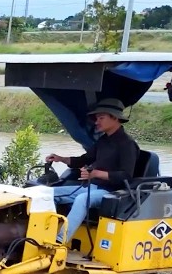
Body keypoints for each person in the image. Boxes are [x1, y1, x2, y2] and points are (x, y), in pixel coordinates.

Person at [44, 98, 139, 244]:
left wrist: (95, 174)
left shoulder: (127, 144)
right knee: (47, 193)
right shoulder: (103, 141)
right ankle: (41, 234)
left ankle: (59, 241)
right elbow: (84, 159)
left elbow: (126, 176)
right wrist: (60, 158)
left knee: (82, 199)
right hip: (92, 187)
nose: (97, 122)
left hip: (111, 192)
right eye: (96, 118)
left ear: (114, 118)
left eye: (101, 118)